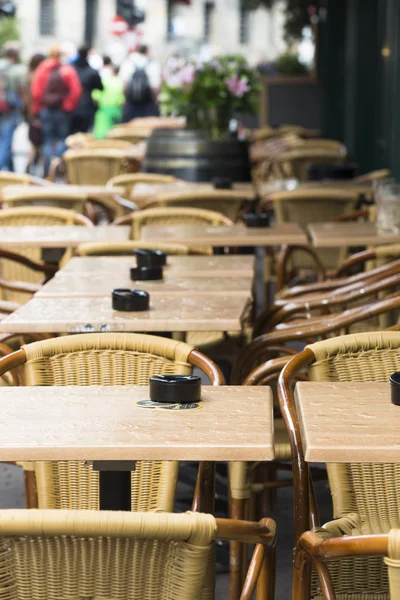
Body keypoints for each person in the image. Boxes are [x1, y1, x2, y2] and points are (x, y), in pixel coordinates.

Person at [31, 45, 82, 176]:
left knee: (48, 140)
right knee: (62, 138)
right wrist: (67, 105)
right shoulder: (67, 70)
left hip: (46, 109)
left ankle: (49, 168)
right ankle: (57, 165)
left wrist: (38, 108)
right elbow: (76, 91)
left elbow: (36, 92)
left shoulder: (43, 69)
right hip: (62, 111)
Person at [0, 46, 28, 171]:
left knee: (5, 140)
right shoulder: (18, 70)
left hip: (4, 108)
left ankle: (11, 170)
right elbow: (22, 89)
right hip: (9, 109)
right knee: (6, 140)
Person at [119, 45, 160, 122]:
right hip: (147, 104)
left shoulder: (128, 62)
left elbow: (123, 85)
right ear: (147, 51)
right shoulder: (152, 64)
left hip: (130, 104)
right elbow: (155, 88)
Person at [71, 46, 103, 134]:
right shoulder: (92, 72)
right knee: (84, 135)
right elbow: (100, 87)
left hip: (72, 107)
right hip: (86, 107)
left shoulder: (71, 69)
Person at [92, 65, 124, 139]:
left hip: (103, 111)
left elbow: (95, 97)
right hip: (116, 110)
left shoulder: (103, 82)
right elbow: (122, 101)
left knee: (101, 136)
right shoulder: (119, 82)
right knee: (115, 136)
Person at [26, 53, 46, 174]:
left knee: (35, 142)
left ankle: (31, 165)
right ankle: (32, 166)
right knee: (38, 142)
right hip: (37, 110)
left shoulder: (28, 74)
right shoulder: (39, 76)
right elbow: (36, 95)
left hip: (31, 111)